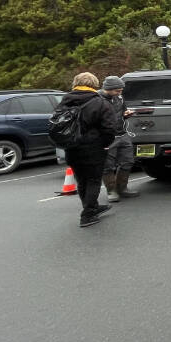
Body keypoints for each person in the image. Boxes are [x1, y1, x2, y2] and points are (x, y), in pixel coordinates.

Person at [59, 72, 122, 227]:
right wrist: (106, 143)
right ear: (94, 84)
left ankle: (91, 206)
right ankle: (88, 214)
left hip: (71, 147)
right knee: (93, 180)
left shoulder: (65, 101)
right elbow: (109, 128)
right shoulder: (100, 102)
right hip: (93, 147)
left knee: (81, 180)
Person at [100, 76, 138, 204]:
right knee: (108, 165)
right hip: (107, 137)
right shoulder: (98, 100)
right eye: (117, 91)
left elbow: (122, 112)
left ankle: (122, 188)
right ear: (108, 89)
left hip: (122, 134)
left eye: (121, 90)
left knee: (128, 161)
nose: (120, 93)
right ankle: (111, 190)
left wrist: (126, 114)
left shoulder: (120, 98)